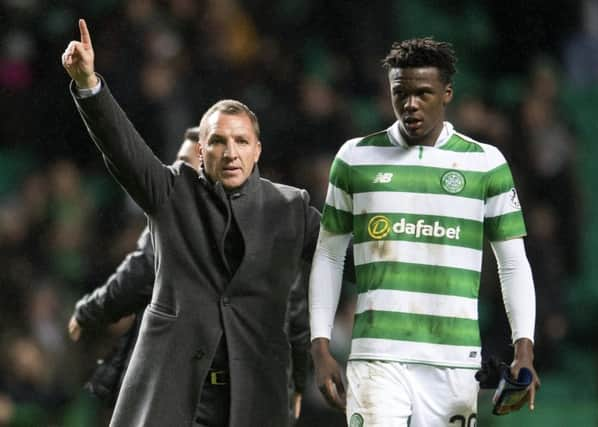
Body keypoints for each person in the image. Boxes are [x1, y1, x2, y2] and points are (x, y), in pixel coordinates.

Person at [61, 19, 320, 427]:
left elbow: (313, 288)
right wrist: (90, 84)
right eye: (218, 141)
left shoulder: (290, 208)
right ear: (201, 152)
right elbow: (122, 147)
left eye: (241, 141)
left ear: (258, 151)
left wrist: (299, 378)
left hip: (251, 397)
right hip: (174, 393)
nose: (230, 151)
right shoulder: (170, 193)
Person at [308, 37, 540, 426]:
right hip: (376, 355)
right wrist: (320, 346)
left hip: (454, 358)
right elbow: (329, 255)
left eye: (423, 93)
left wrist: (524, 347)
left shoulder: (486, 163)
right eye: (400, 93)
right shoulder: (354, 157)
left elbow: (513, 263)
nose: (410, 104)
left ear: (447, 93)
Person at [67, 127, 310, 425]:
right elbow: (296, 313)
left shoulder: (182, 225)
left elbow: (139, 273)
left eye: (188, 163)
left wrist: (90, 312)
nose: (178, 171)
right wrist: (297, 380)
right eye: (178, 162)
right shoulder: (273, 224)